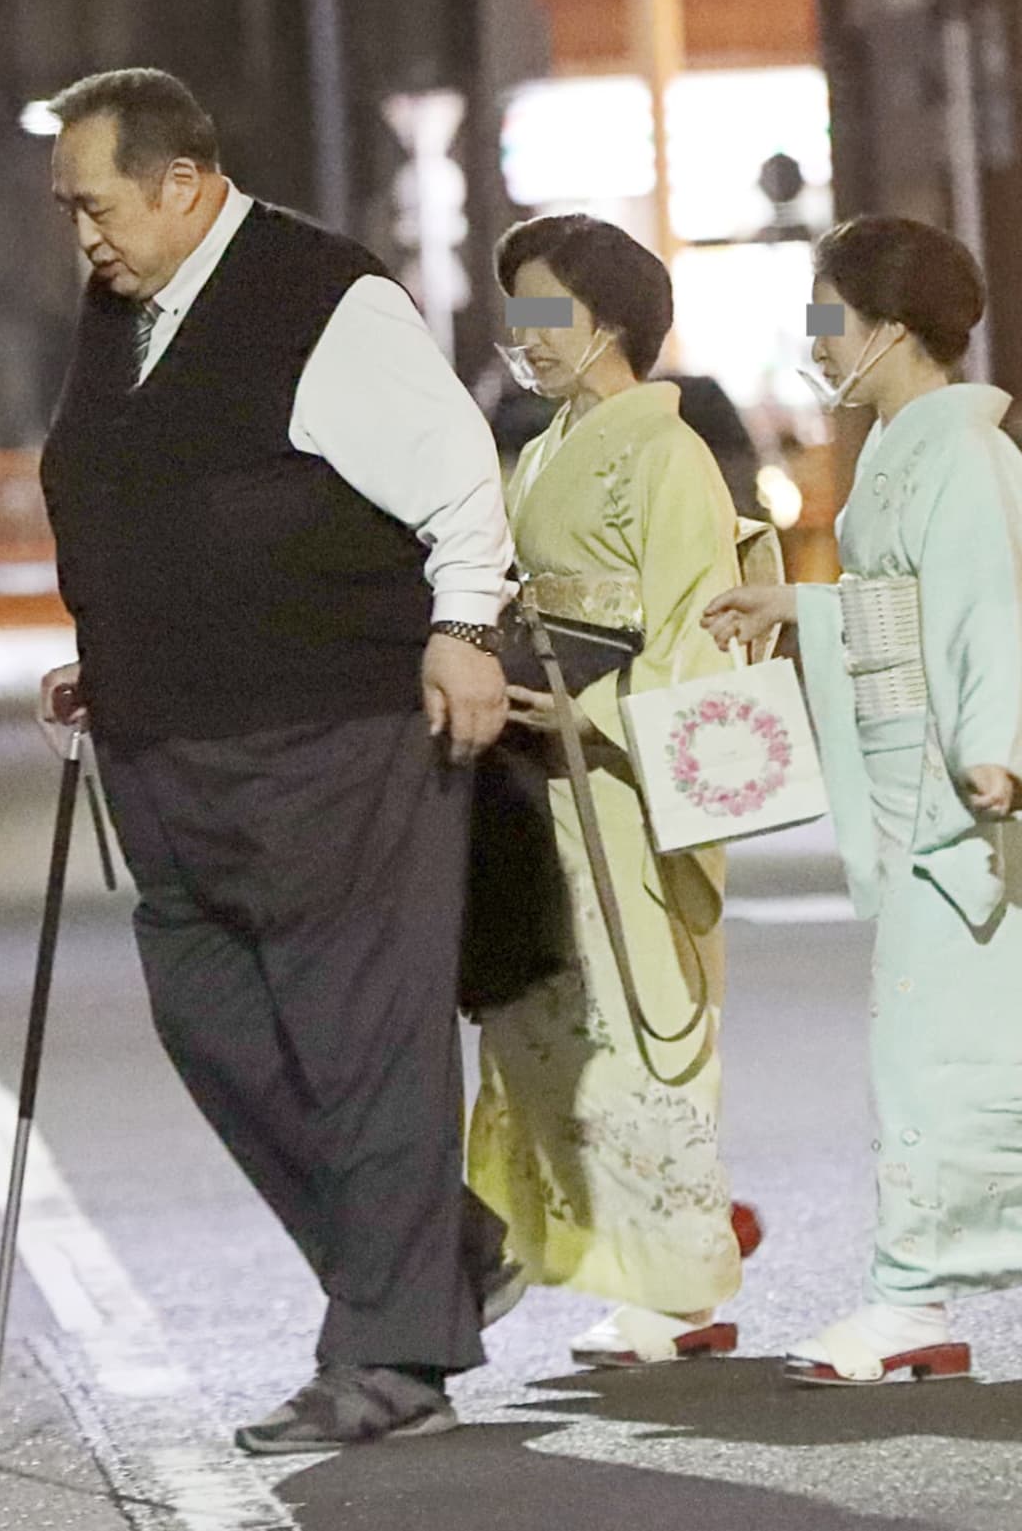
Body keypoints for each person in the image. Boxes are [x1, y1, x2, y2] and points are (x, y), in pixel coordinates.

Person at [34, 68, 519, 1451]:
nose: (84, 235)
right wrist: (115, 641)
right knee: (214, 1028)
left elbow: (455, 475)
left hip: (332, 735)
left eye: (97, 206)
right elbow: (150, 496)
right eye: (71, 211)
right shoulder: (124, 312)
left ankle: (391, 1361)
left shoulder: (324, 297)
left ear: (184, 184)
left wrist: (462, 631)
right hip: (165, 745)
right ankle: (440, 1255)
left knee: (363, 1045)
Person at [704, 215, 1022, 1385]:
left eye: (826, 317)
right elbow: (908, 608)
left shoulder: (957, 455)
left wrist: (992, 747)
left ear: (888, 325)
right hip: (918, 787)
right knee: (944, 1053)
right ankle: (911, 1293)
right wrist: (800, 609)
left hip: (955, 797)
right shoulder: (906, 447)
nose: (815, 343)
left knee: (932, 1055)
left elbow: (985, 607)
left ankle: (907, 1296)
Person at [467, 212, 750, 1364]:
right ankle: (608, 1255)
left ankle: (680, 1286)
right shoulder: (544, 447)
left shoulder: (664, 453)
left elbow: (694, 630)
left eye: (548, 312)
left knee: (632, 1011)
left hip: (619, 771)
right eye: (518, 314)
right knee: (554, 1012)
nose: (527, 336)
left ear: (613, 320)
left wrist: (588, 710)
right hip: (542, 762)